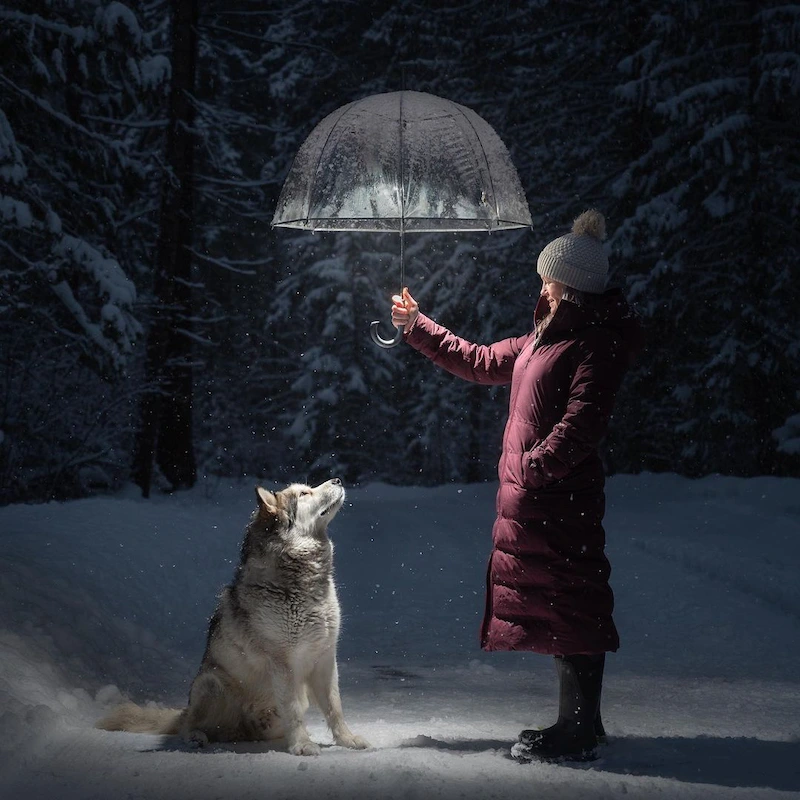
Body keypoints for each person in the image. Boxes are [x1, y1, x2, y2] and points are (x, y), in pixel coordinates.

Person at [390, 209, 643, 763]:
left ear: (569, 285)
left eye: (547, 277)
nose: (541, 284)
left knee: (574, 604)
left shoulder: (591, 346)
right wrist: (418, 326)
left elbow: (581, 425)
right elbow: (479, 360)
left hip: (559, 499)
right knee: (563, 605)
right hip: (543, 499)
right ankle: (582, 724)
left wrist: (532, 470)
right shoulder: (540, 340)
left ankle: (578, 730)